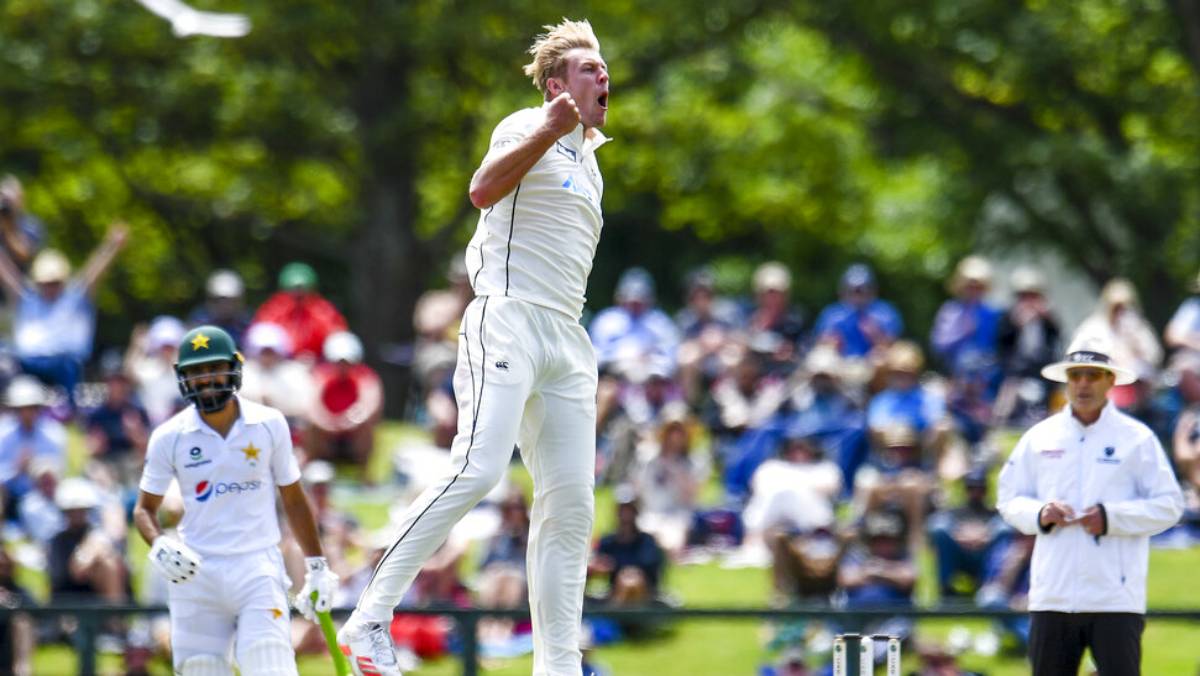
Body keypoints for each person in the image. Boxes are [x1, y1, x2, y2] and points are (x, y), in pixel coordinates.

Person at [338, 18, 610, 676]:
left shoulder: (592, 161)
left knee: (572, 502)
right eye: (588, 69)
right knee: (479, 469)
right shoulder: (528, 124)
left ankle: (558, 665)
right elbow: (481, 191)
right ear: (556, 86)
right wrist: (548, 127)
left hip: (568, 338)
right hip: (508, 319)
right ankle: (369, 617)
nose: (604, 77)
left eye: (605, 70)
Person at [131, 326, 336, 675]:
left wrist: (316, 565)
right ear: (183, 378)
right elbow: (144, 510)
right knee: (201, 669)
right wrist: (158, 543)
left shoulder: (269, 423)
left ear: (234, 368)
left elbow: (294, 497)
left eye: (213, 368)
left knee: (271, 665)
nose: (206, 379)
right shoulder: (169, 436)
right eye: (196, 372)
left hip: (257, 568)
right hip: (196, 574)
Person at [997, 333, 1184, 676]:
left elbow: (1169, 505)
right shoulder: (1041, 436)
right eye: (1075, 375)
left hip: (1115, 597)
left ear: (1111, 380)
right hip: (1052, 594)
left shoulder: (1136, 439)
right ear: (1066, 380)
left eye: (1093, 375)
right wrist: (1041, 514)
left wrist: (1111, 518)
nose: (1083, 384)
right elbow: (1008, 499)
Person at [0, 223, 127, 411]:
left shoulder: (74, 299)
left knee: (68, 367)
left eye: (55, 282)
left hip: (65, 363)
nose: (50, 287)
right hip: (28, 362)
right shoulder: (28, 300)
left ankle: (69, 413)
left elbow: (94, 273)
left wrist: (111, 246)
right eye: (46, 282)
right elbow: (7, 276)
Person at [252, 262, 348, 361]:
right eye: (294, 289)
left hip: (315, 363)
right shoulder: (273, 310)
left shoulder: (323, 311)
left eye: (303, 289)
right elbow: (260, 339)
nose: (298, 293)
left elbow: (336, 337)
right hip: (279, 363)